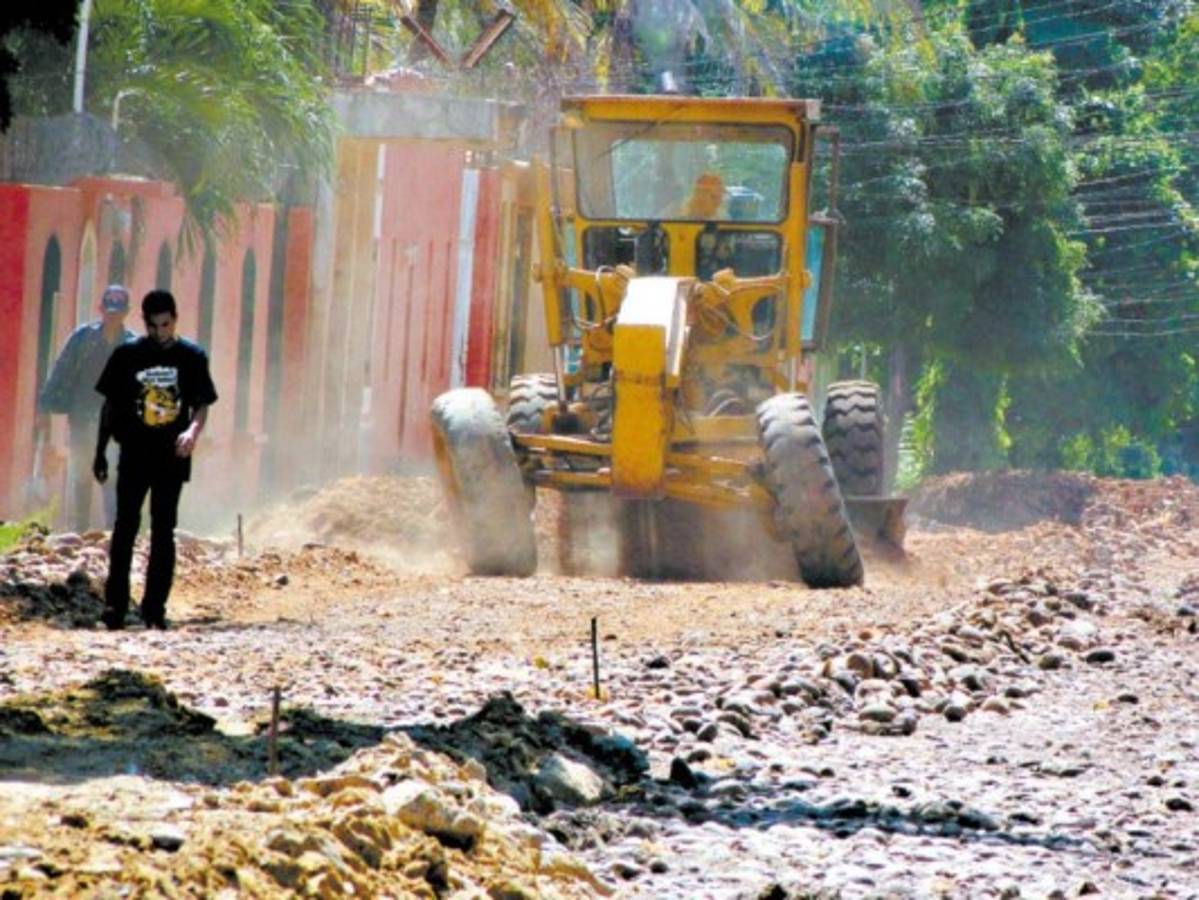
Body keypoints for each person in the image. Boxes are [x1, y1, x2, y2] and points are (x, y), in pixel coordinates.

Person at [94, 289, 218, 630]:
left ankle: (154, 609)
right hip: (133, 454)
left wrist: (192, 433)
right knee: (125, 528)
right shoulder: (127, 356)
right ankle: (115, 606)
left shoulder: (192, 357)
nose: (159, 333)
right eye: (153, 326)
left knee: (163, 531)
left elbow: (202, 404)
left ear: (174, 320)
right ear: (144, 324)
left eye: (165, 325)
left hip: (171, 459)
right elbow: (110, 407)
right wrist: (100, 451)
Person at [35, 284, 137, 532]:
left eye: (118, 311)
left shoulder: (134, 346)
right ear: (100, 309)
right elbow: (61, 370)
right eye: (109, 310)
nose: (112, 316)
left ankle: (114, 531)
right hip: (82, 417)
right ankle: (79, 529)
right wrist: (45, 405)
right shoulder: (82, 339)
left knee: (111, 474)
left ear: (126, 313)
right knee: (81, 475)